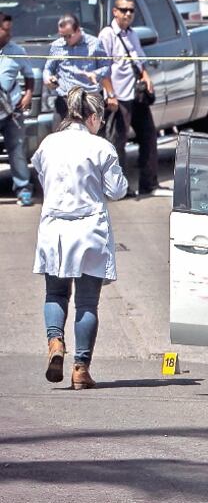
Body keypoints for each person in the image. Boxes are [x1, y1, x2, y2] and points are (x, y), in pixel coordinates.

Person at [31, 86, 128, 389]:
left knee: (55, 294)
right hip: (89, 230)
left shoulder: (48, 144)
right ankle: (80, 369)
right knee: (87, 303)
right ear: (93, 117)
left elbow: (41, 176)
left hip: (54, 228)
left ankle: (55, 342)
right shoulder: (101, 147)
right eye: (100, 119)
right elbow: (117, 190)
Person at [98, 0, 169, 197]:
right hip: (118, 96)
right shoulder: (107, 35)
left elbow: (139, 60)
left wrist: (145, 77)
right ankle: (117, 188)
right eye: (124, 10)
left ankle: (149, 184)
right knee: (117, 143)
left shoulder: (132, 34)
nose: (128, 14)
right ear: (115, 12)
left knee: (149, 136)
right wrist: (110, 94)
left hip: (135, 94)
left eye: (131, 10)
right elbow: (103, 68)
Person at [43, 14, 111, 130]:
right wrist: (48, 78)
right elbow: (48, 68)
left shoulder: (94, 44)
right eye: (63, 36)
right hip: (65, 99)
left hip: (88, 100)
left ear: (78, 30)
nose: (66, 39)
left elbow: (106, 66)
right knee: (60, 136)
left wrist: (95, 74)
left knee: (91, 137)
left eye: (69, 36)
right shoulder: (57, 45)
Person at [0, 12, 36, 207]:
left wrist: (28, 94)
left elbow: (29, 75)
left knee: (17, 151)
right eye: (6, 30)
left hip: (12, 111)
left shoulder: (17, 51)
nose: (10, 34)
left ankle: (23, 189)